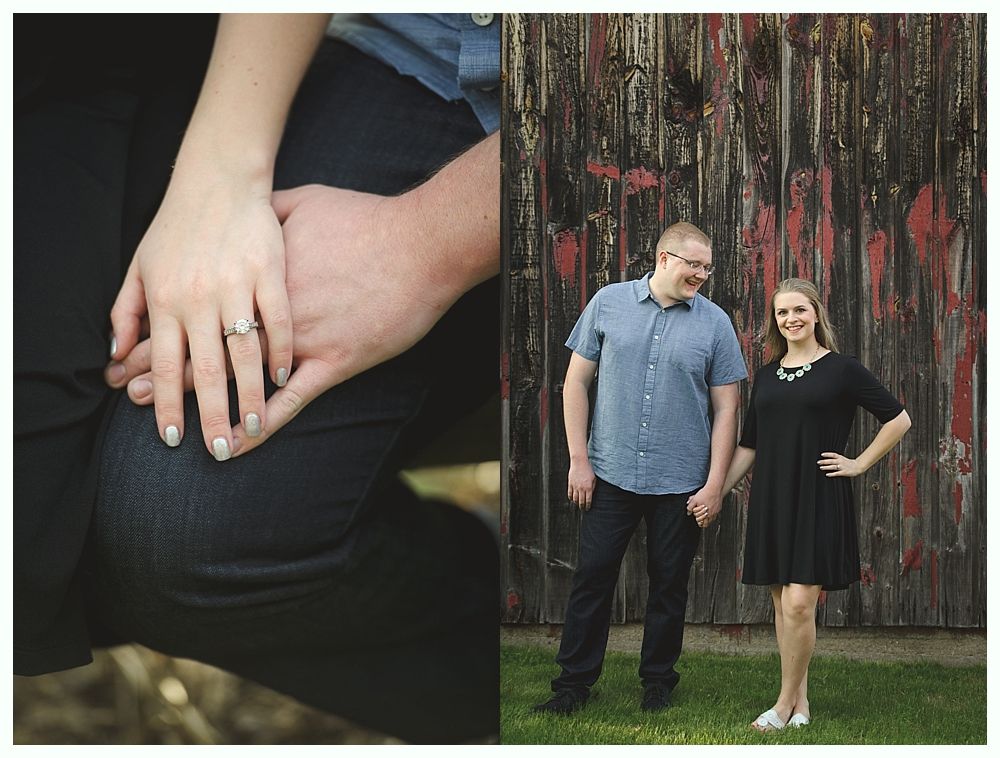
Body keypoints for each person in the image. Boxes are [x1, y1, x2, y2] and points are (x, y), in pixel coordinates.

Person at [15, 13, 500, 742]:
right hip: (401, 49)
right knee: (112, 517)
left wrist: (424, 242)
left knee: (184, 533)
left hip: (672, 139)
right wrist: (214, 185)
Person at [532, 222, 747, 715]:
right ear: (664, 257)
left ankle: (657, 682)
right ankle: (572, 686)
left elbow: (727, 411)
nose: (702, 274)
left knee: (669, 584)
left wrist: (715, 485)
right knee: (593, 579)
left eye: (708, 267)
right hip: (610, 474)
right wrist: (579, 460)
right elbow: (574, 384)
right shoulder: (608, 302)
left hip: (681, 481)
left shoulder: (715, 323)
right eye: (694, 264)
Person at [703, 278, 911, 731]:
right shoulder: (765, 374)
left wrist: (859, 464)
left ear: (816, 314)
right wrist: (715, 491)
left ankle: (780, 706)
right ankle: (801, 702)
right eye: (782, 313)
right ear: (775, 320)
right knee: (782, 606)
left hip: (818, 496)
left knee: (799, 603)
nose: (791, 319)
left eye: (799, 310)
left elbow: (899, 419)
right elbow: (750, 444)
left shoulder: (842, 369)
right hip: (773, 499)